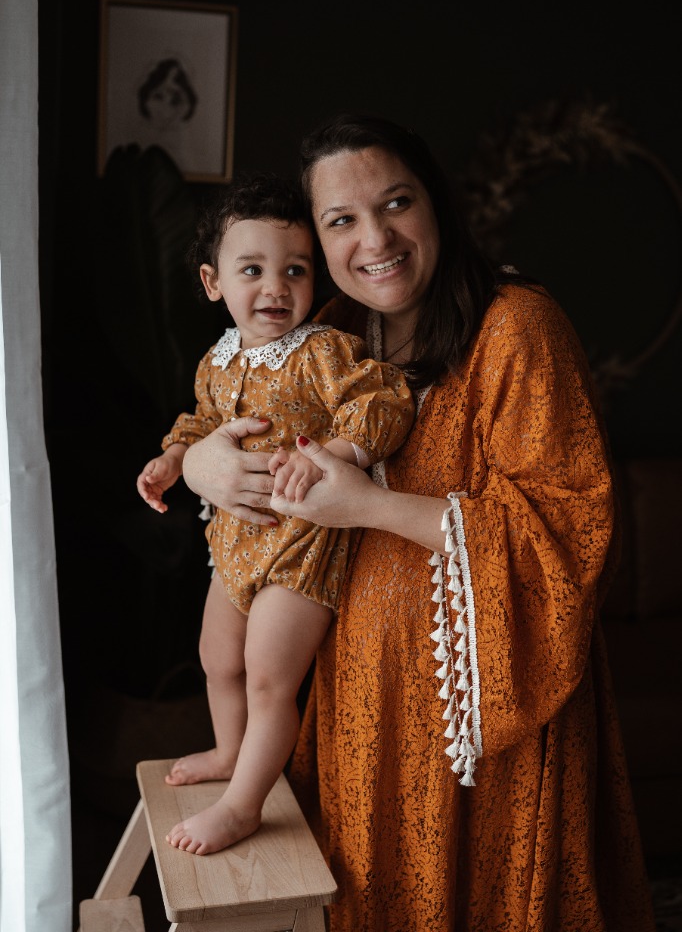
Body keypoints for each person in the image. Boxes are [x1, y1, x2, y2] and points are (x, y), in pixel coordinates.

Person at [180, 116, 656, 931]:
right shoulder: (327, 329)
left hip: (482, 730)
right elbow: (227, 427)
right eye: (341, 220)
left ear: (436, 202)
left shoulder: (516, 326)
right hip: (359, 710)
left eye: (396, 202)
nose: (375, 239)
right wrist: (200, 466)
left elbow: (571, 529)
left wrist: (367, 505)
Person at [136, 171, 414, 856]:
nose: (276, 287)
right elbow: (200, 422)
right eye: (252, 270)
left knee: (267, 676)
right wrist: (173, 458)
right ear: (213, 282)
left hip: (301, 546)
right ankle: (230, 751)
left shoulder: (322, 351)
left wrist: (335, 453)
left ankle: (244, 805)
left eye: (295, 270)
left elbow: (383, 401)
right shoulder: (216, 361)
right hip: (233, 543)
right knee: (216, 659)